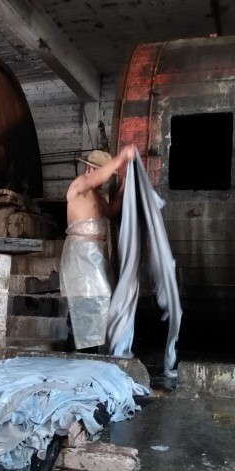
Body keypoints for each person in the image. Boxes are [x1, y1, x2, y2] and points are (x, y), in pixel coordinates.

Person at [60, 145, 136, 352]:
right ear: (89, 169)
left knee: (99, 298)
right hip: (80, 252)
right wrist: (122, 157)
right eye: (105, 174)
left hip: (94, 253)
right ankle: (76, 350)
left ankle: (89, 349)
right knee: (85, 298)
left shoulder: (96, 196)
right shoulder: (80, 184)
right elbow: (94, 180)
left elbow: (110, 212)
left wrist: (124, 188)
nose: (105, 179)